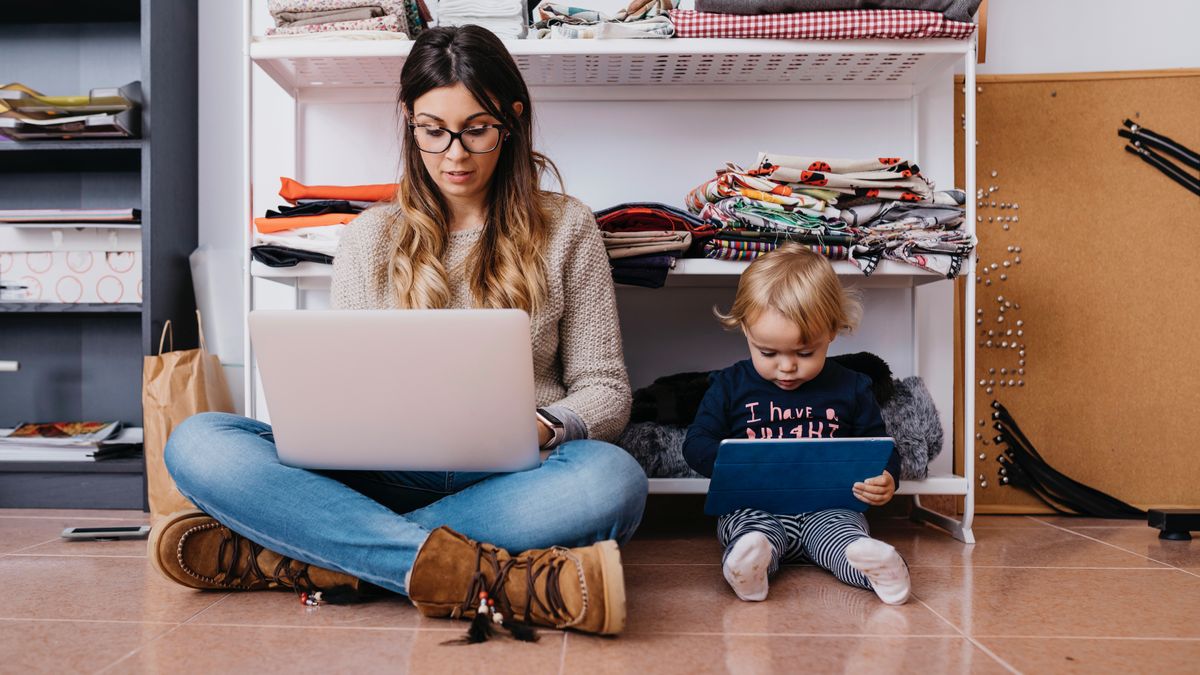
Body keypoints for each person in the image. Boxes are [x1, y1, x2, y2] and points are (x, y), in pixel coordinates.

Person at [152, 25, 647, 637]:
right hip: (380, 476)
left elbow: (606, 390)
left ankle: (322, 558)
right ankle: (476, 573)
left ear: (512, 120)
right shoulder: (369, 238)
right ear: (408, 121)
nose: (454, 154)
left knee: (613, 480)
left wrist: (546, 425)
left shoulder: (567, 226)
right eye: (432, 131)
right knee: (198, 441)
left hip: (514, 477)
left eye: (477, 129)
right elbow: (347, 391)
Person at [682, 244, 910, 605]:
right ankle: (750, 567)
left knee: (841, 537)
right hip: (755, 504)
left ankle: (876, 566)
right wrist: (733, 466)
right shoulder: (730, 385)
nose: (786, 367)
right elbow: (696, 443)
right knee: (750, 533)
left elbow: (877, 445)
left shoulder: (851, 386)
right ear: (745, 331)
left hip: (829, 507)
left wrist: (886, 478)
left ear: (832, 332)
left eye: (805, 353)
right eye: (768, 353)